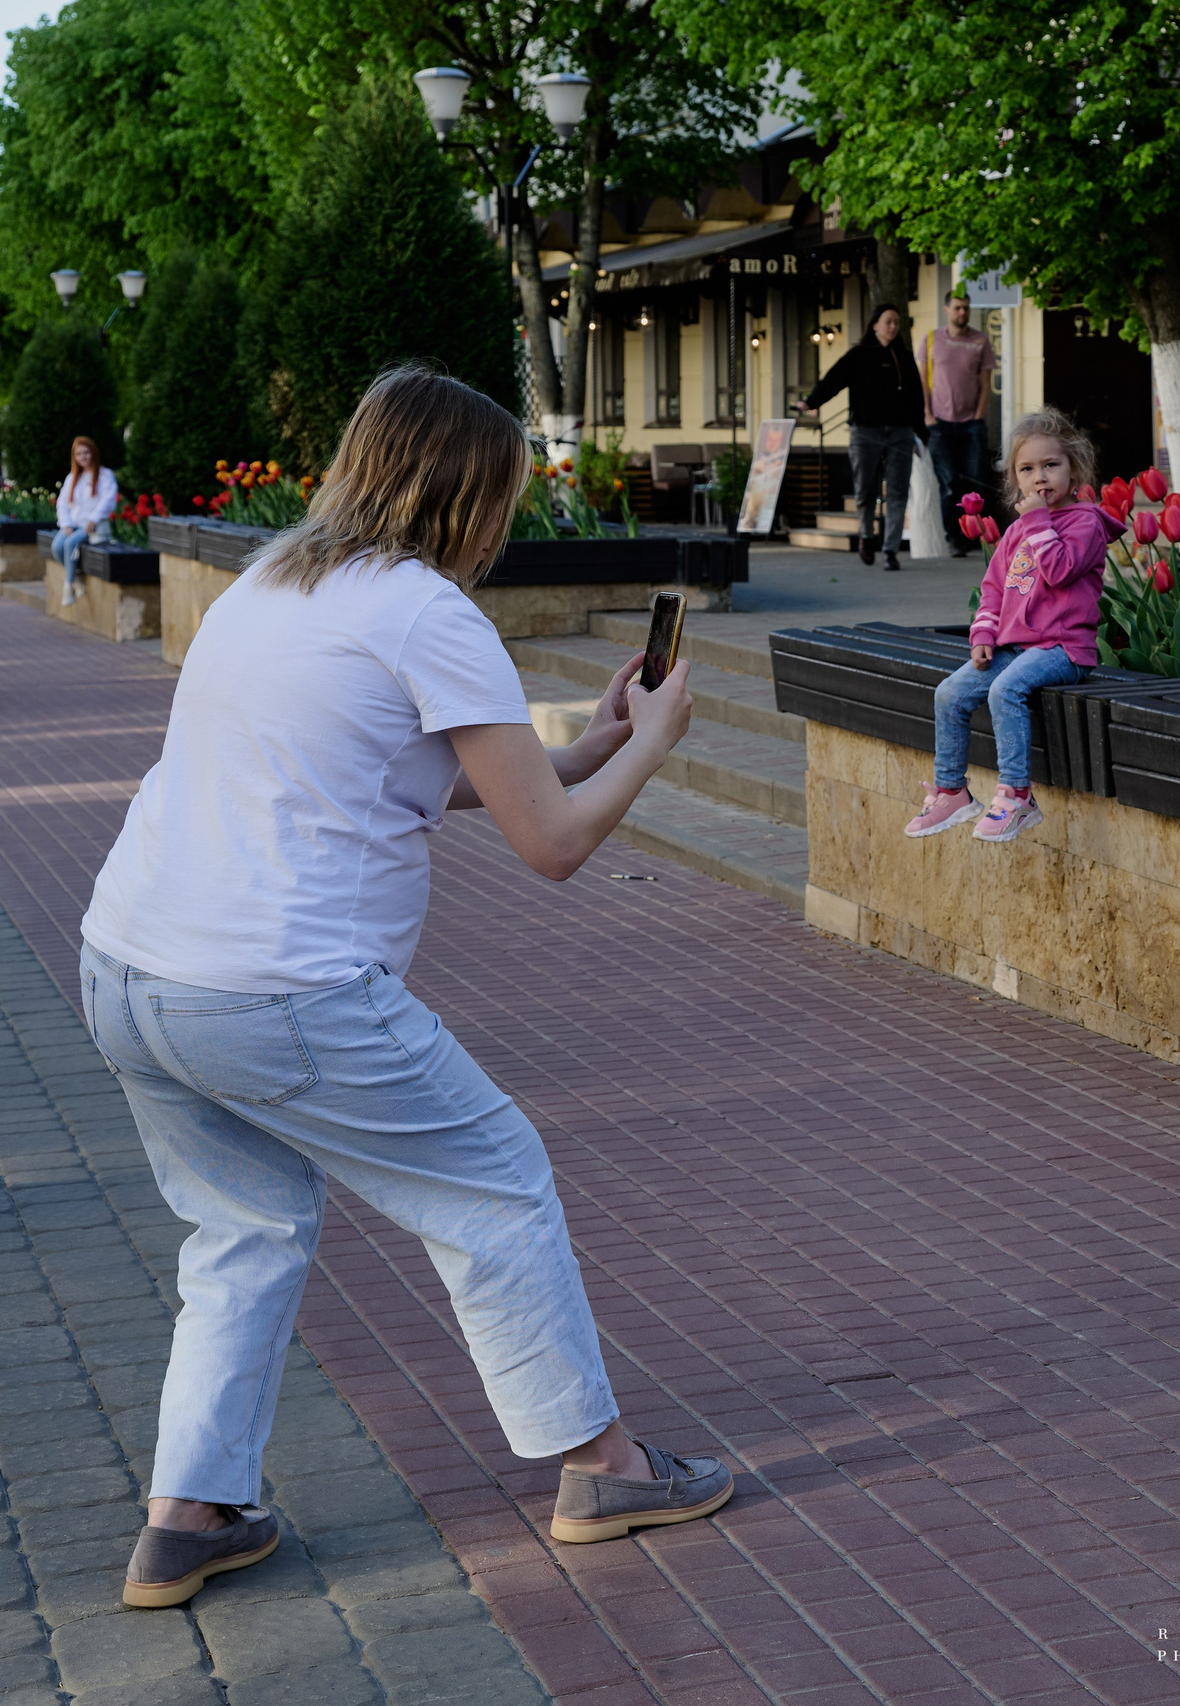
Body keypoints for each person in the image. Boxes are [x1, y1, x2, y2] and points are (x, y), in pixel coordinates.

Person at [77, 366, 731, 1611]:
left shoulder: (276, 578)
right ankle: (602, 1470)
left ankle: (187, 1514)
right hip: (279, 988)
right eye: (504, 499)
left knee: (245, 1229)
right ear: (459, 493)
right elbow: (555, 847)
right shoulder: (430, 611)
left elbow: (407, 768)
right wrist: (650, 745)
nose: (508, 527)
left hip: (132, 970)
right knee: (494, 1178)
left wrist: (589, 744)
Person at [907, 407, 1120, 844]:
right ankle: (951, 791)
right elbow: (993, 589)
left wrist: (1038, 520)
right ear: (1015, 480)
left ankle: (1017, 795)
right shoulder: (1016, 533)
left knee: (1006, 690)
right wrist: (983, 634)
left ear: (1074, 469)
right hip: (1012, 647)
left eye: (1051, 465)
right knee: (948, 693)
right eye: (1027, 469)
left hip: (1062, 649)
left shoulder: (1086, 523)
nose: (1040, 477)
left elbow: (1060, 570)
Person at [796, 304, 924, 571]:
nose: (893, 327)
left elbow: (916, 396)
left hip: (900, 432)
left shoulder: (904, 356)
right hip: (866, 432)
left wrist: (921, 432)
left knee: (898, 491)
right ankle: (866, 535)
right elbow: (833, 380)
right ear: (875, 324)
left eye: (896, 323)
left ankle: (890, 550)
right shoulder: (859, 355)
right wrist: (811, 402)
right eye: (888, 321)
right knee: (865, 490)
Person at [922, 289, 998, 551]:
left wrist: (979, 415)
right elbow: (922, 380)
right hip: (939, 423)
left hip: (972, 423)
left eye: (966, 308)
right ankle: (954, 537)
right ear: (946, 310)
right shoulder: (931, 339)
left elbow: (986, 383)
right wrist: (927, 414)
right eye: (957, 308)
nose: (962, 312)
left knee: (975, 481)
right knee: (949, 483)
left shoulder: (980, 341)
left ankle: (978, 536)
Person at [53, 436, 118, 605]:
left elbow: (108, 500)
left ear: (93, 453)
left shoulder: (104, 475)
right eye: (78, 453)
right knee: (57, 546)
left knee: (69, 544)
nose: (83, 457)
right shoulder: (72, 478)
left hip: (92, 526)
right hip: (73, 524)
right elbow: (62, 503)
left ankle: (68, 587)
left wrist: (94, 518)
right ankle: (76, 578)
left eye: (86, 452)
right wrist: (65, 523)